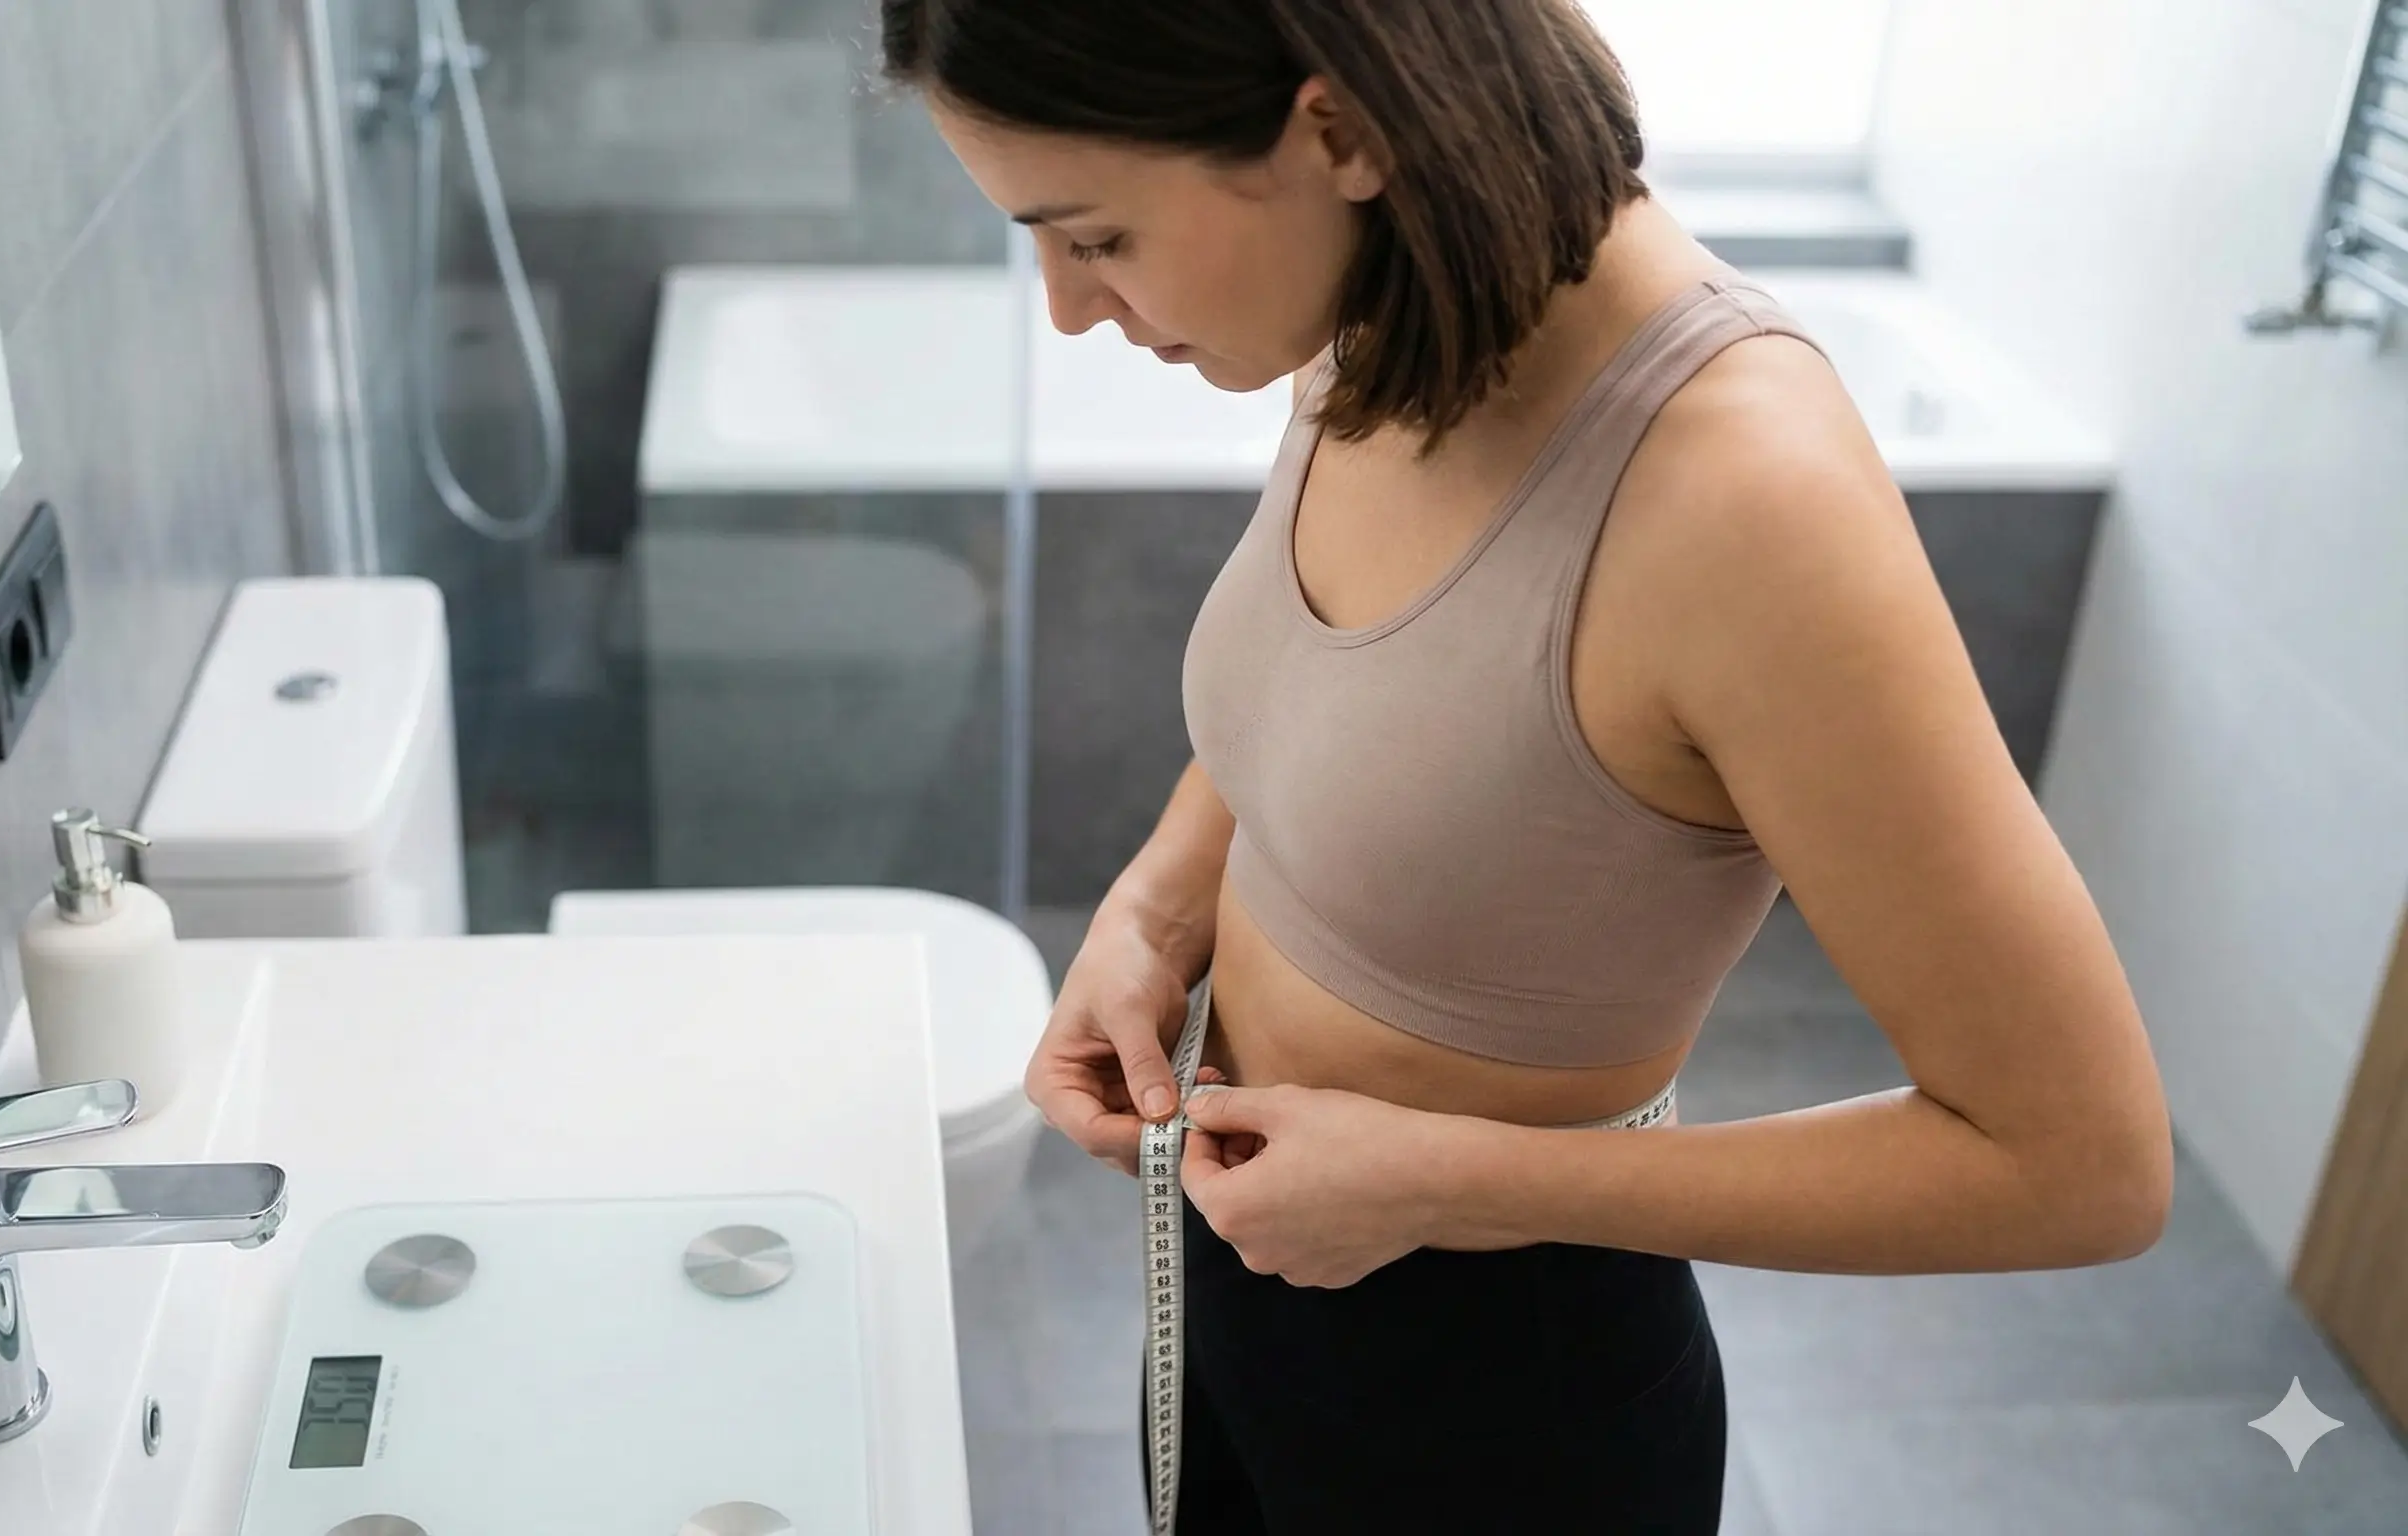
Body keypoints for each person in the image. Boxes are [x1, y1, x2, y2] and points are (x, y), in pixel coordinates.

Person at [882, 1, 2175, 1530]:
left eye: (1094, 237)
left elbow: (2081, 1166)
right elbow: (1353, 683)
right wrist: (1159, 909)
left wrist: (1454, 1181)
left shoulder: (1741, 499)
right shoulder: (1391, 296)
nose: (1069, 311)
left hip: (1508, 1405)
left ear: (1340, 134)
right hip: (1258, 1280)